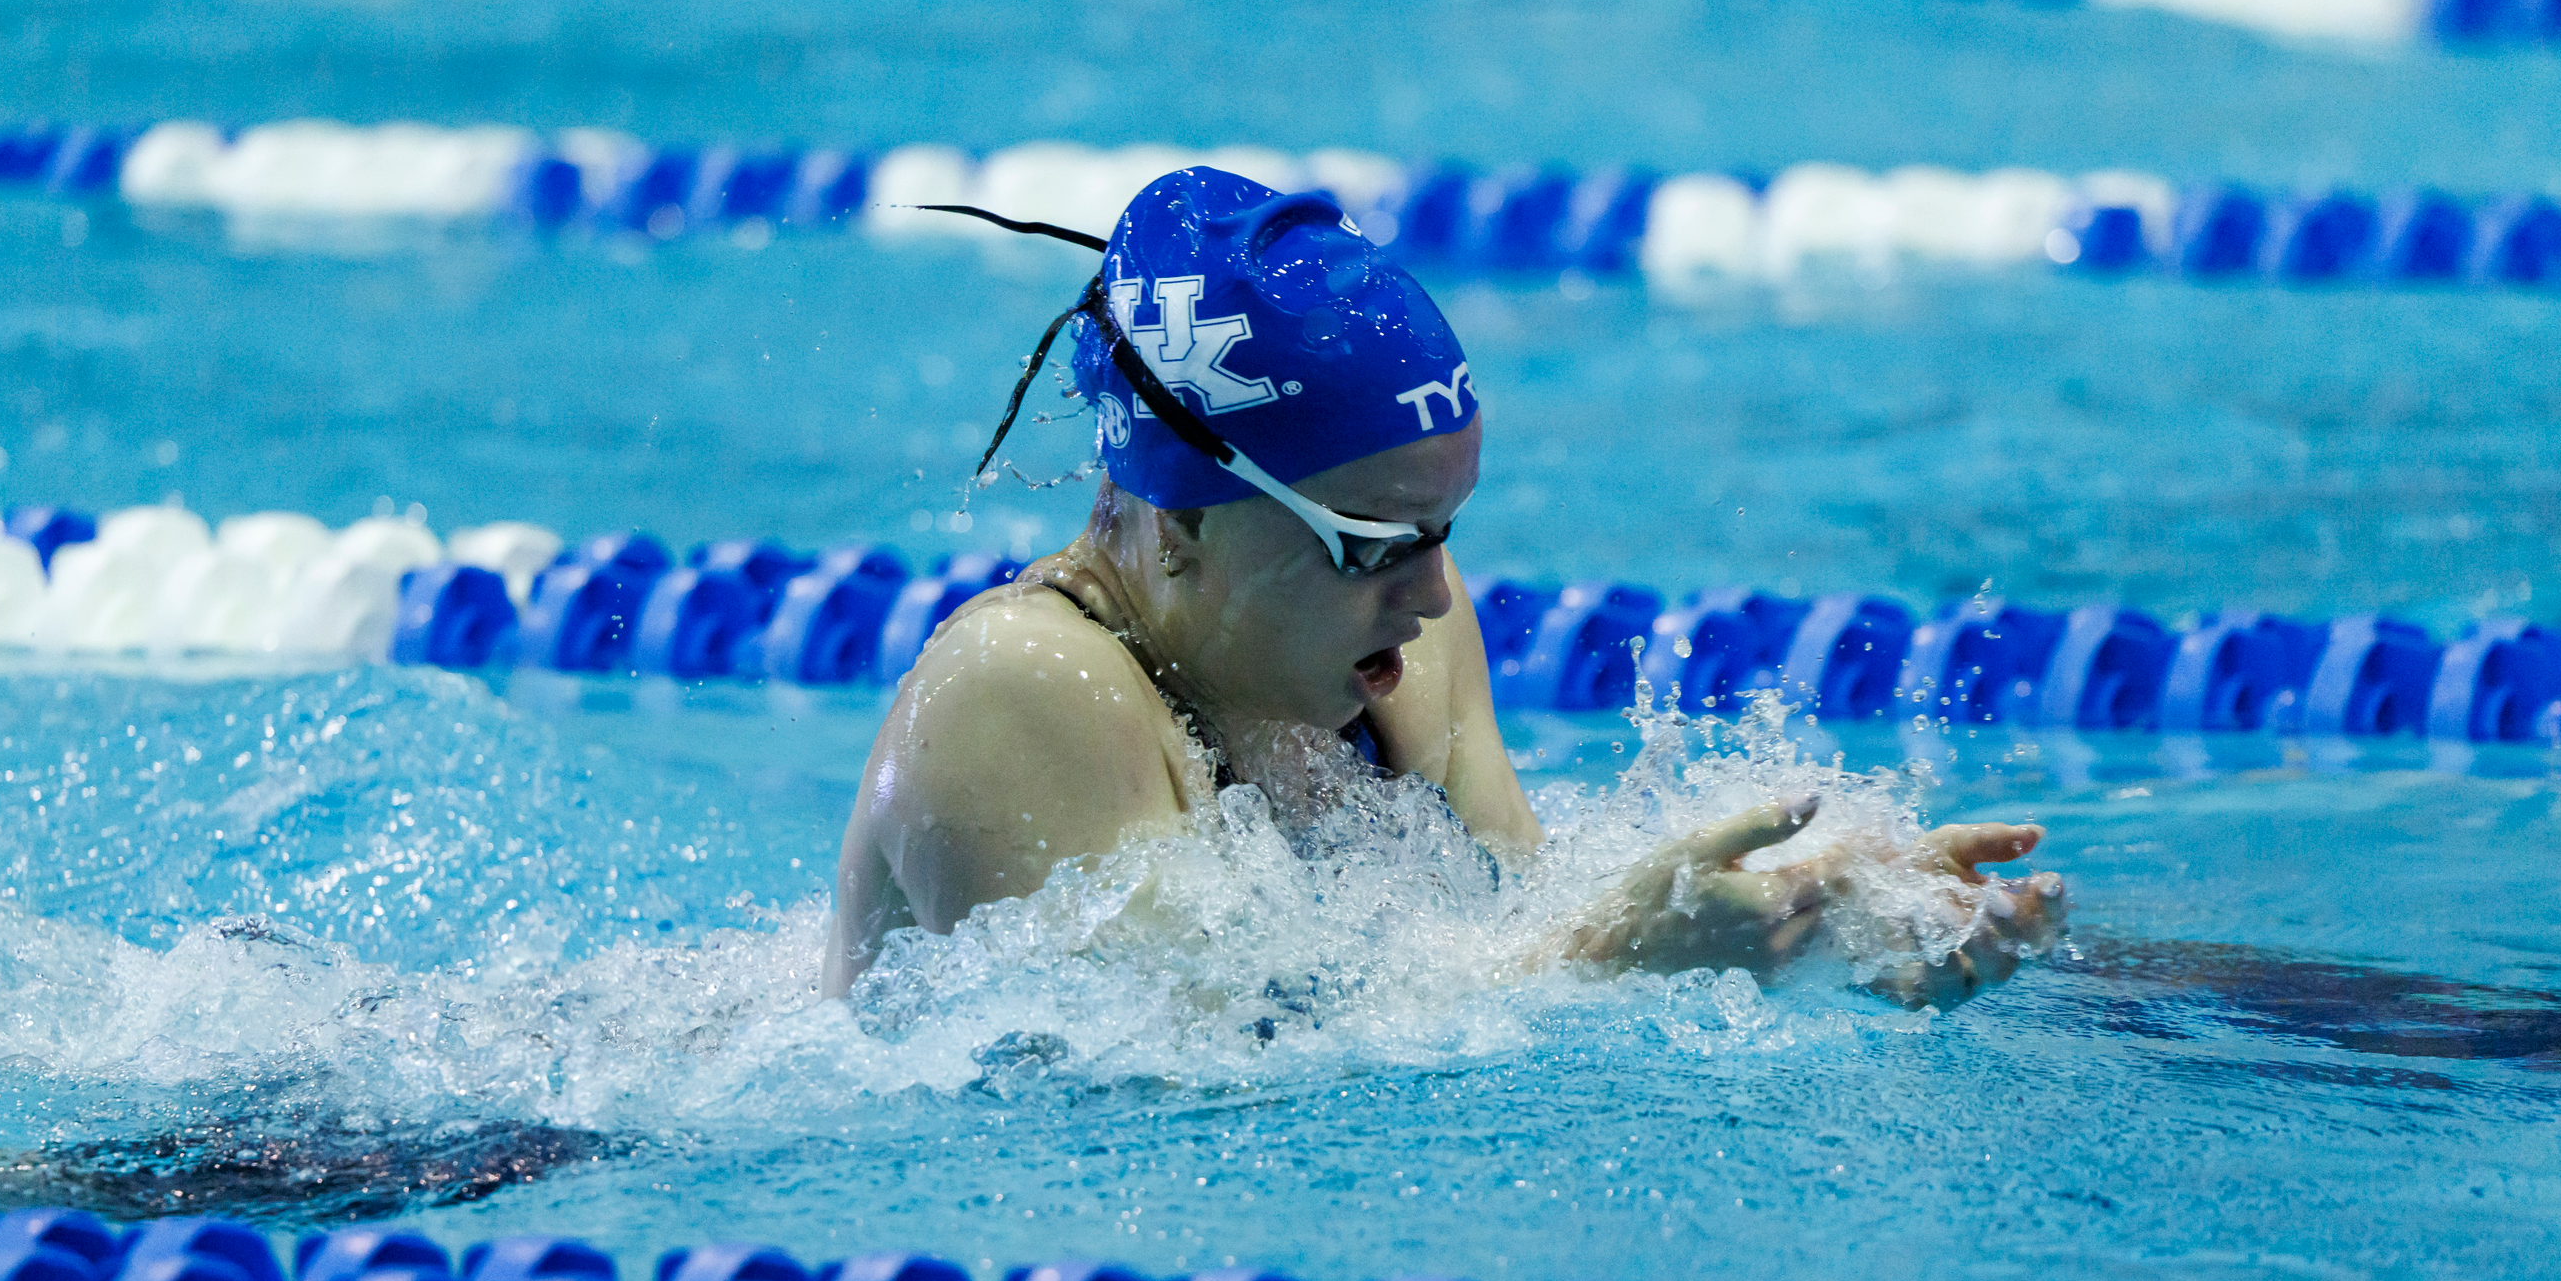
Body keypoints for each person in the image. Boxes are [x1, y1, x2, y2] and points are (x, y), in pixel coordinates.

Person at [820, 166, 2064, 1002]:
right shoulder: (1023, 690)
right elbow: (1166, 1079)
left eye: (1441, 531)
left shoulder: (1393, 644)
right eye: (1372, 541)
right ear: (1185, 518)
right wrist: (1605, 960)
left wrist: (1818, 924)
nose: (1426, 595)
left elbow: (1502, 933)